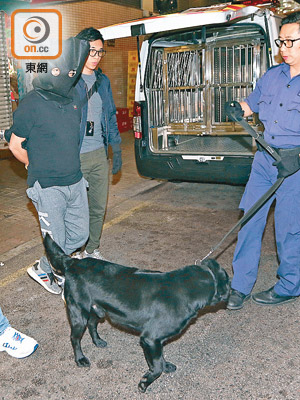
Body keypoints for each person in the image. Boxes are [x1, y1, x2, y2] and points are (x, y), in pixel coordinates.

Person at [227, 11, 300, 310]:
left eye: (290, 41)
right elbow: (252, 104)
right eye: (281, 41)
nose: (283, 47)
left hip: (294, 166)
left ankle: (290, 284)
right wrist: (237, 107)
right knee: (249, 220)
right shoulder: (272, 75)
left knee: (289, 228)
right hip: (264, 160)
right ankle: (239, 286)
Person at [5, 38, 90, 295]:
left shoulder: (75, 94)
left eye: (71, 72)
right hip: (47, 185)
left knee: (79, 235)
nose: (64, 76)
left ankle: (42, 267)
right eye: (57, 71)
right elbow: (15, 144)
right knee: (58, 242)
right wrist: (34, 163)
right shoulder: (32, 102)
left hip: (74, 180)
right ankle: (61, 282)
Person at [75, 27, 122, 259]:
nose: (95, 57)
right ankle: (73, 251)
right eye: (91, 51)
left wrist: (117, 148)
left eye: (99, 52)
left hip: (99, 154)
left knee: (98, 207)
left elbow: (110, 115)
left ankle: (92, 249)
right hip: (74, 156)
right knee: (75, 210)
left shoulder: (103, 81)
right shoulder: (68, 82)